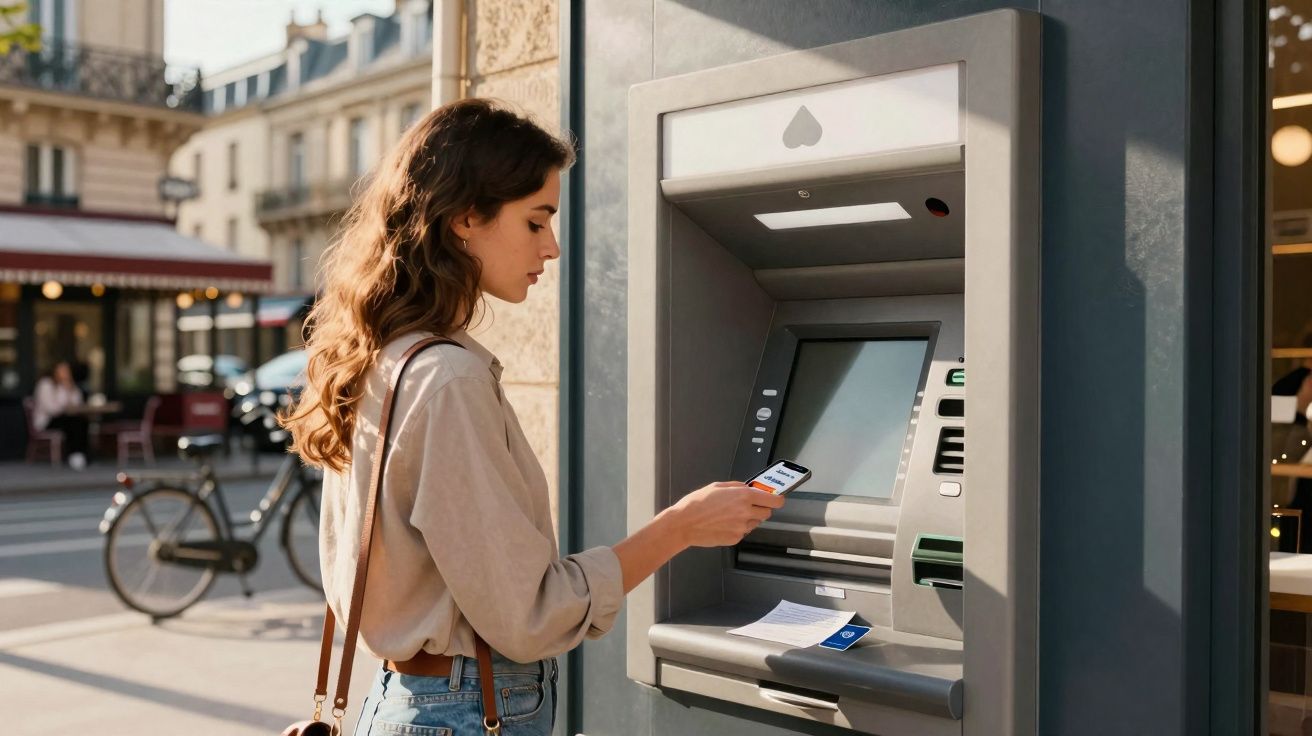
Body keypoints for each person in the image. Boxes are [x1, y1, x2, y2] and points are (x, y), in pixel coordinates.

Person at [282, 99, 785, 736]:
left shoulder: (384, 356)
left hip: (410, 698)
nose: (551, 247)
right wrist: (681, 526)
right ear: (466, 218)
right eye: (535, 220)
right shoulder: (448, 380)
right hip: (467, 710)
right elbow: (530, 615)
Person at [32, 360, 89, 469]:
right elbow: (50, 408)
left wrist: (69, 389)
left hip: (66, 418)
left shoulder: (70, 386)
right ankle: (75, 454)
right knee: (73, 422)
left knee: (81, 421)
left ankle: (80, 453)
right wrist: (65, 406)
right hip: (47, 420)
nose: (64, 373)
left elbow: (77, 404)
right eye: (61, 371)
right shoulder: (45, 384)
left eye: (66, 371)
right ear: (54, 371)